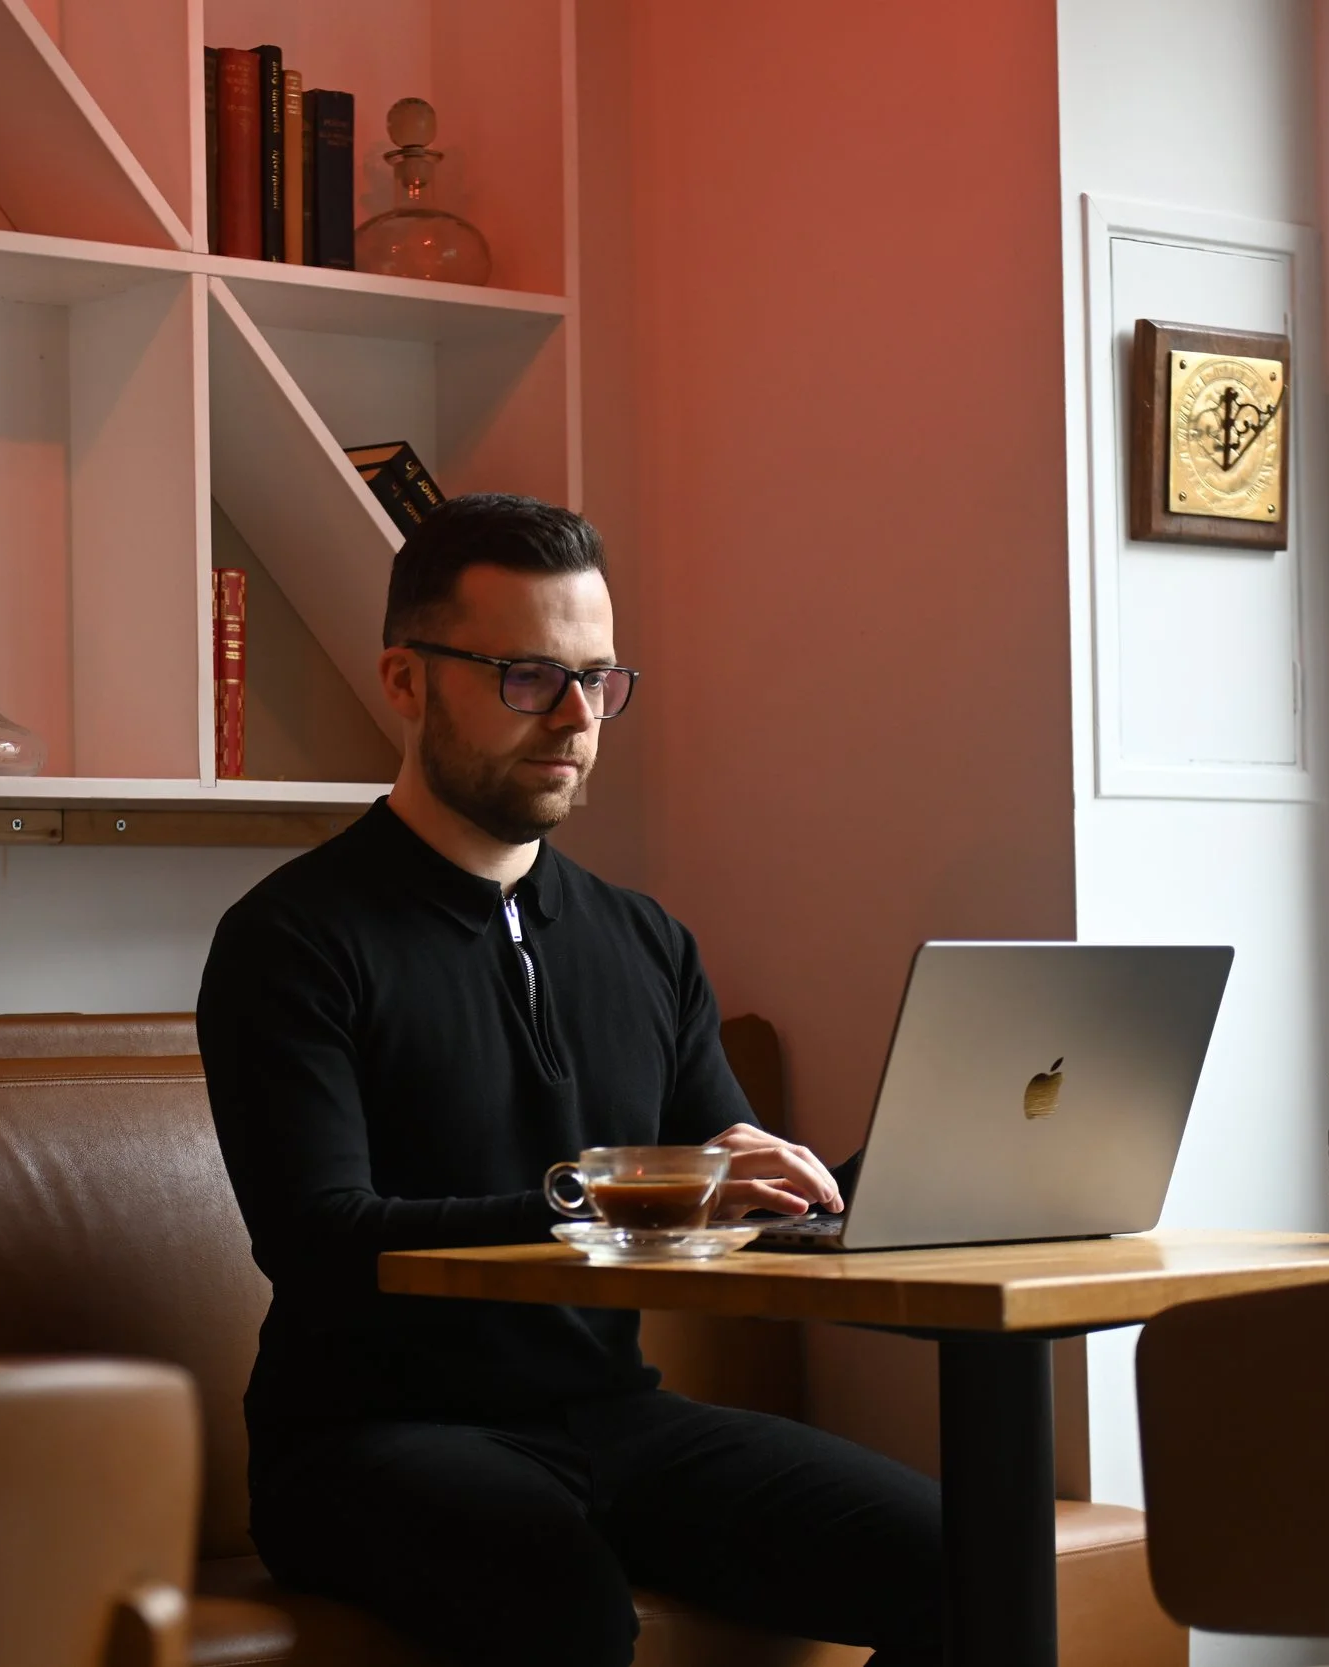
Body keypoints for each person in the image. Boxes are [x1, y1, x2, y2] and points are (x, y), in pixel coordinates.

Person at [195, 495, 945, 1667]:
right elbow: (318, 1236)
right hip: (364, 1439)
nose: (578, 718)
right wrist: (606, 1198)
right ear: (405, 680)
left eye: (598, 678)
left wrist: (850, 1188)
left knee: (967, 1563)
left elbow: (728, 1183)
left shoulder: (644, 940)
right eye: (529, 675)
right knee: (559, 1598)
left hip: (614, 1414)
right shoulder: (292, 938)